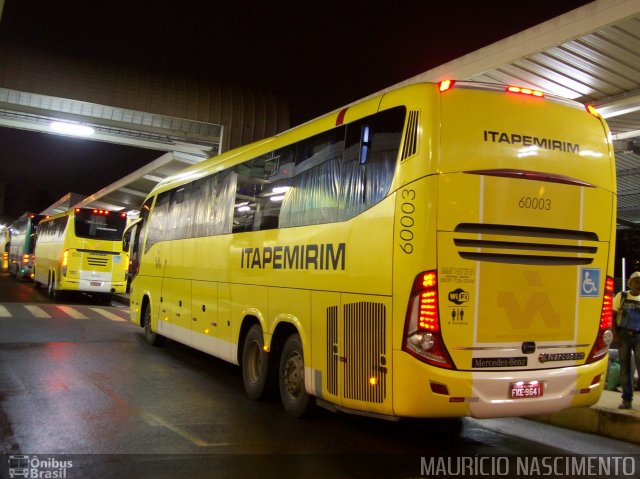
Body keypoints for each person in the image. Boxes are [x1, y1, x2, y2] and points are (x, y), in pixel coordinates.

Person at [612, 271, 640, 409]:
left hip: (638, 336)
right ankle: (627, 399)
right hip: (623, 336)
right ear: (631, 282)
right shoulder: (621, 296)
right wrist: (615, 335)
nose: (639, 284)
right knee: (625, 368)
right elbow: (612, 316)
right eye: (636, 281)